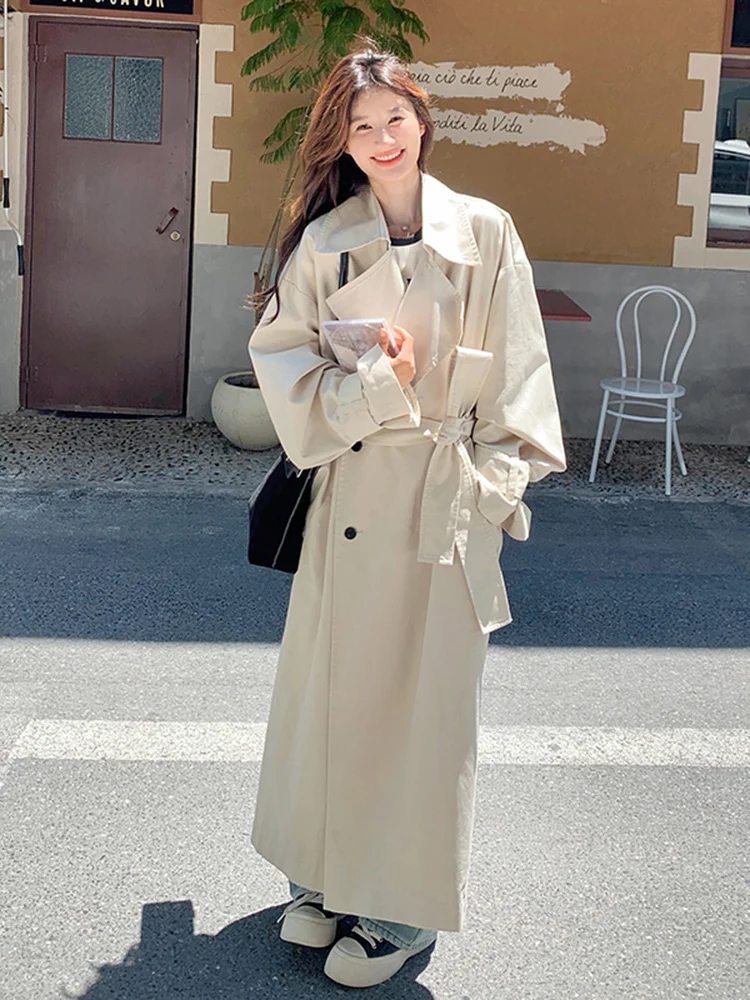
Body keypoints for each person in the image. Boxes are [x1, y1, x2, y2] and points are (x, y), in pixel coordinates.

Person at [247, 46, 566, 990]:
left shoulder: (486, 232)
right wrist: (376, 389)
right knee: (333, 700)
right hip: (351, 498)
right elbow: (286, 377)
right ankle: (324, 876)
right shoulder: (324, 242)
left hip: (443, 501)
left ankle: (402, 909)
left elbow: (522, 374)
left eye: (396, 118)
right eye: (361, 125)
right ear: (341, 142)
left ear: (423, 121)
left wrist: (494, 489)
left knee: (423, 715)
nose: (383, 139)